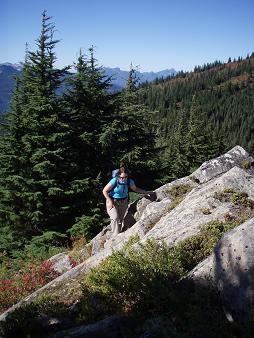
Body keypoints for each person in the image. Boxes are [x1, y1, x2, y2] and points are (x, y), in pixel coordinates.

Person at [102, 167, 154, 238]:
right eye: (121, 177)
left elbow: (135, 189)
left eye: (125, 177)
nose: (123, 179)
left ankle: (117, 233)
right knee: (115, 217)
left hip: (124, 201)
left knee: (120, 219)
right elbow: (104, 191)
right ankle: (115, 237)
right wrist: (110, 201)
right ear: (118, 175)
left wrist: (146, 192)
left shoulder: (129, 181)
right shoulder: (114, 180)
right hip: (112, 201)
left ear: (127, 176)